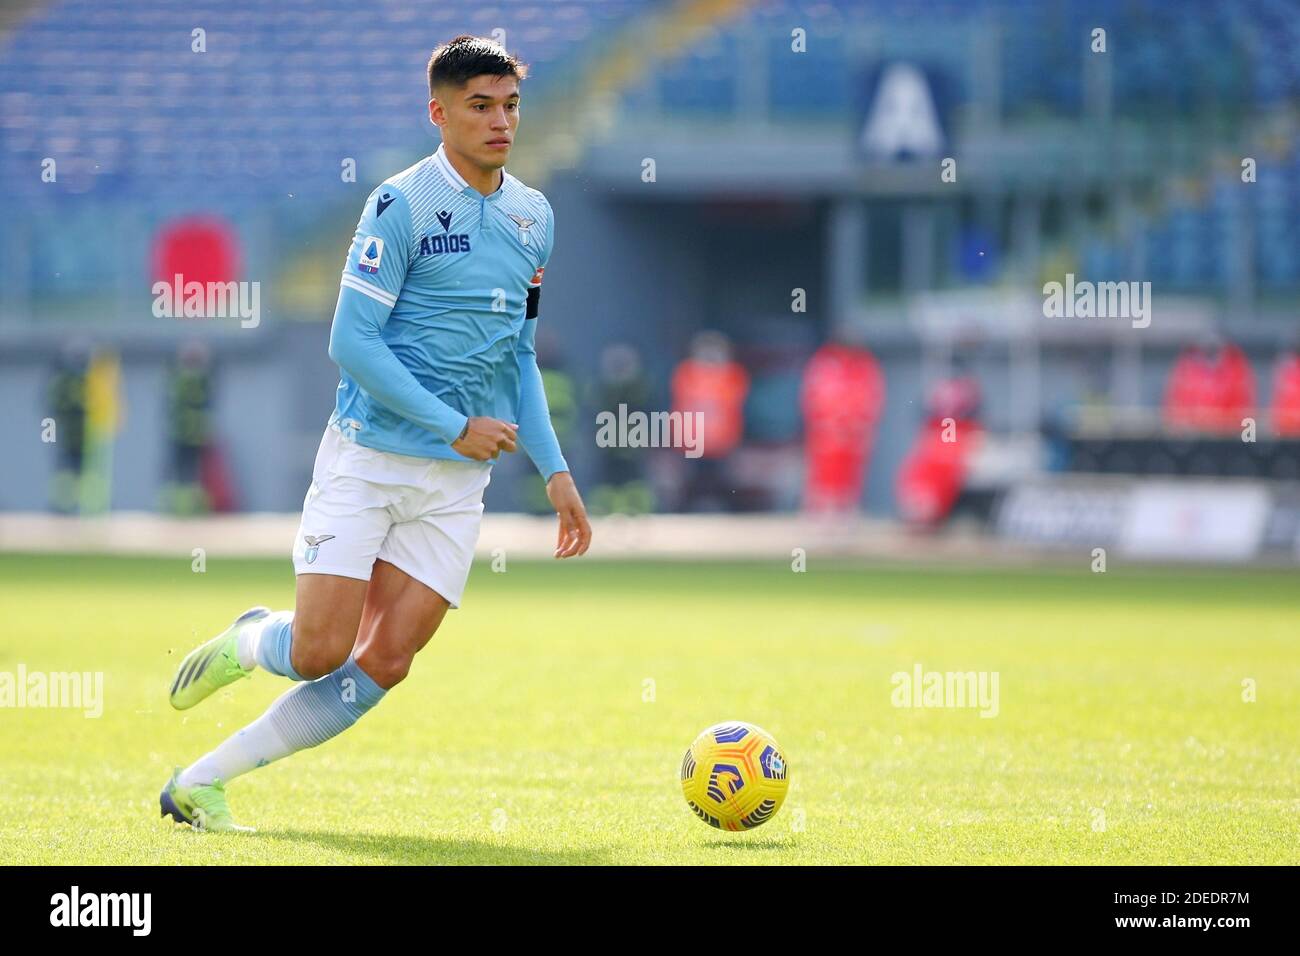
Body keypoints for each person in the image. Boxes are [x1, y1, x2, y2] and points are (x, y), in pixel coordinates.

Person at [159, 36, 591, 832]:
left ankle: (200, 784)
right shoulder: (401, 204)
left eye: (511, 105)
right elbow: (351, 341)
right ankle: (254, 638)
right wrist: (454, 424)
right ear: (439, 113)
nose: (502, 122)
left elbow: (519, 355)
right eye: (480, 106)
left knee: (387, 661)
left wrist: (555, 471)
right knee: (320, 649)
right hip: (369, 459)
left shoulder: (535, 217)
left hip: (457, 484)